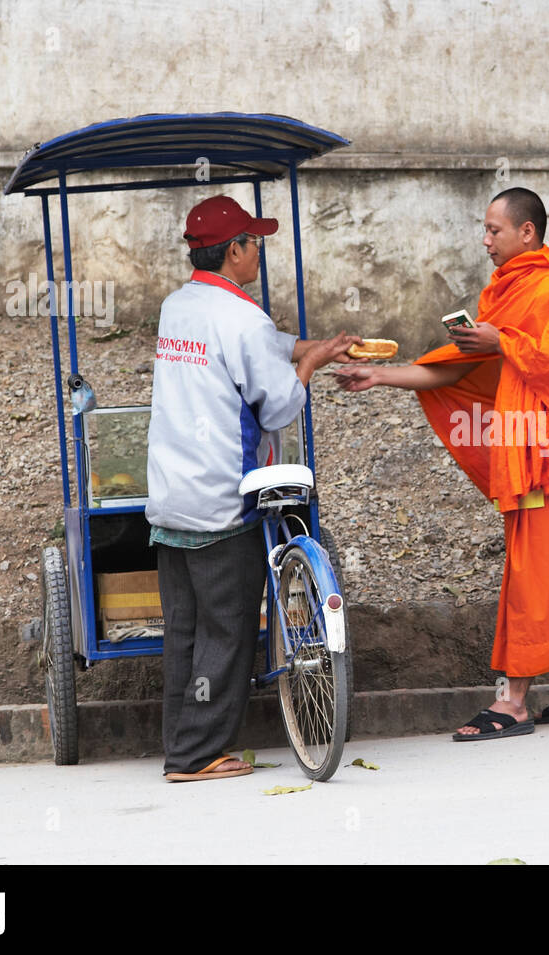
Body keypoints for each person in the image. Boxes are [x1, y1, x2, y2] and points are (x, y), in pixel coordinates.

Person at [335, 187, 549, 740]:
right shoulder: (505, 293)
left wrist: (503, 342)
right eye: (484, 231)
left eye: (494, 230)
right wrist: (381, 375)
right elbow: (452, 371)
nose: (485, 241)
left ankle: (512, 702)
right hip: (525, 447)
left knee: (533, 571)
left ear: (526, 232)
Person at [146, 194, 360, 780]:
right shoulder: (244, 317)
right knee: (228, 628)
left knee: (184, 632)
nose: (259, 251)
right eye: (254, 242)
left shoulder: (178, 307)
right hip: (222, 498)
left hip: (170, 497)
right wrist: (310, 366)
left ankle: (181, 749)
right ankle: (197, 756)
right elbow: (279, 404)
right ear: (234, 250)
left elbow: (242, 346)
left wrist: (303, 346)